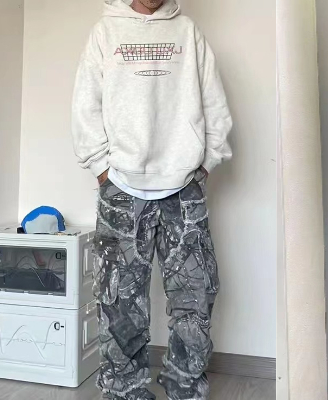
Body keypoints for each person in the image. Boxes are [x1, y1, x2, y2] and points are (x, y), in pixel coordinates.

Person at [71, 1, 232, 399]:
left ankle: (184, 389)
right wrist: (102, 169)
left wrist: (206, 163)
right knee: (119, 306)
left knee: (195, 300)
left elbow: (214, 101)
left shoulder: (188, 31)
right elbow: (85, 104)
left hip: (184, 187)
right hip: (121, 189)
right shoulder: (105, 32)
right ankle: (125, 392)